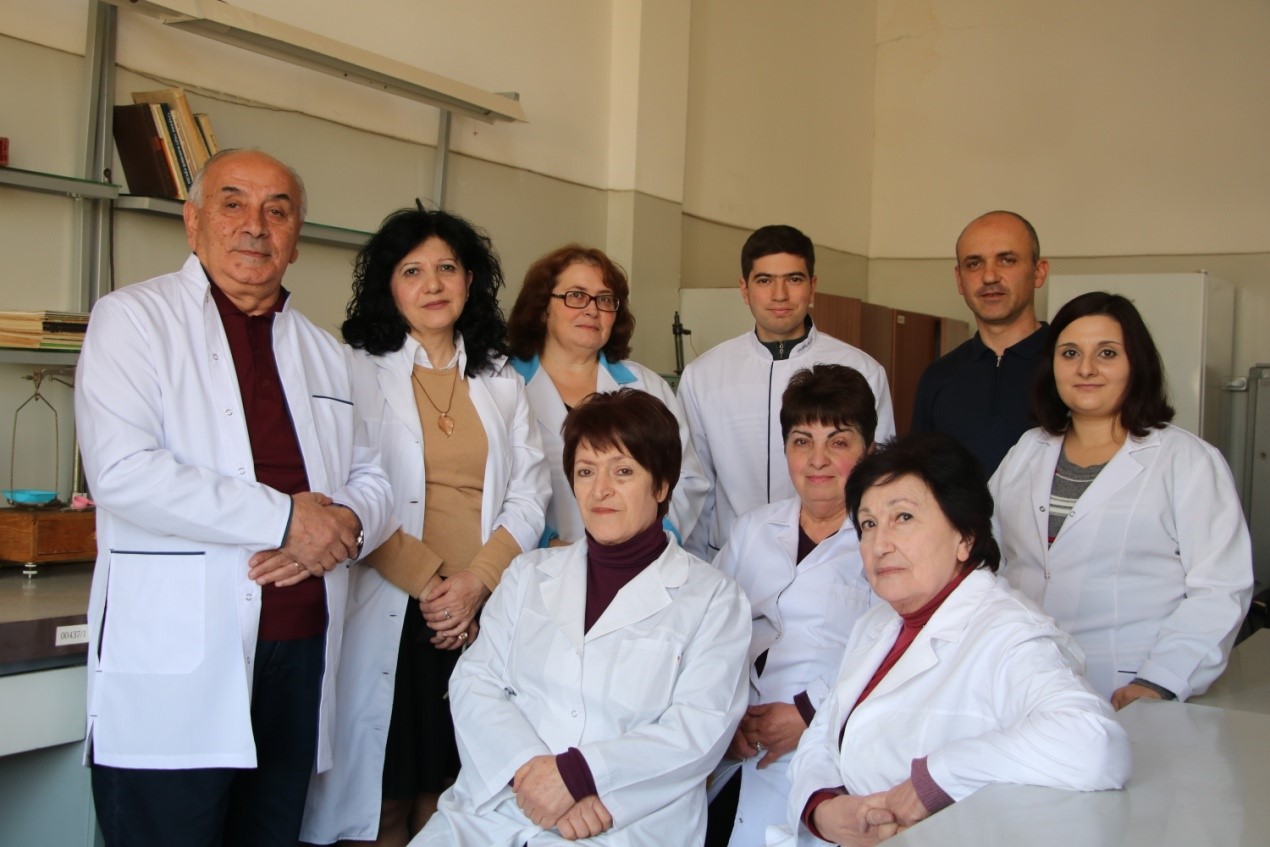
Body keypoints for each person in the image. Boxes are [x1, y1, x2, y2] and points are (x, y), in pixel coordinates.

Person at [75, 148, 394, 847]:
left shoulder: (326, 353)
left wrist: (342, 521)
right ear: (193, 222)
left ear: (295, 240)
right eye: (233, 204)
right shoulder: (132, 320)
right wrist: (286, 519)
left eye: (277, 211)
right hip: (179, 656)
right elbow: (123, 471)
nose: (255, 225)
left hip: (300, 652)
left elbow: (375, 477)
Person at [300, 208, 549, 845]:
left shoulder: (498, 376)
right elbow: (344, 496)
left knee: (449, 799)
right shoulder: (353, 370)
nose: (432, 284)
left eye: (447, 268)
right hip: (394, 605)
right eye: (412, 271)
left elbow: (531, 492)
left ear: (470, 280)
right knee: (381, 803)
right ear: (389, 285)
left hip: (479, 612)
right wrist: (436, 586)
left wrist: (475, 584)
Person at [413, 389, 751, 846]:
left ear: (661, 485)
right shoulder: (528, 575)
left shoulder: (714, 600)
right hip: (494, 812)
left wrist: (579, 778)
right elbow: (475, 682)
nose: (600, 489)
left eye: (623, 471)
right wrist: (532, 777)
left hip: (618, 823)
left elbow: (698, 731)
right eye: (586, 471)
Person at [772, 433, 1130, 847]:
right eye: (868, 524)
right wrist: (822, 808)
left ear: (965, 538)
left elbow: (1094, 744)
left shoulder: (1008, 631)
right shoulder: (877, 624)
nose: (880, 544)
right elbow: (824, 731)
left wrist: (935, 777)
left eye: (903, 517)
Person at [991, 292, 1253, 707]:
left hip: (1127, 688)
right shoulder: (1027, 450)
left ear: (1137, 364)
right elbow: (988, 556)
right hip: (1022, 678)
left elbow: (1220, 589)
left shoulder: (1187, 460)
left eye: (1107, 353)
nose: (1086, 368)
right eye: (1070, 353)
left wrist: (1160, 681)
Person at [706, 364, 881, 847]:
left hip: (829, 747)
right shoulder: (753, 529)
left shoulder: (883, 540)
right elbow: (707, 628)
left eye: (838, 442)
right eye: (802, 441)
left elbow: (895, 652)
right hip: (736, 743)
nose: (817, 459)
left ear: (868, 450)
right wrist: (725, 717)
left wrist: (809, 712)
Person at [678, 224, 894, 559]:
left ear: (812, 286)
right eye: (764, 280)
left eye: (793, 279)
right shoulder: (703, 376)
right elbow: (693, 484)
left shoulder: (862, 370)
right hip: (729, 557)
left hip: (835, 557)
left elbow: (879, 479)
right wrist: (694, 566)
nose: (779, 295)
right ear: (744, 289)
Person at [507, 244, 707, 544]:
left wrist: (644, 546)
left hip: (635, 562)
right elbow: (487, 486)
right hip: (535, 558)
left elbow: (685, 480)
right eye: (576, 295)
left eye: (604, 299)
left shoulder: (647, 386)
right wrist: (547, 544)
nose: (592, 309)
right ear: (542, 309)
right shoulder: (502, 384)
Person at [910, 210, 1050, 476]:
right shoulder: (938, 376)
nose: (989, 277)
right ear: (959, 280)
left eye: (1007, 260)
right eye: (974, 264)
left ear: (1039, 272)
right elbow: (918, 480)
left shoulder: (1072, 369)